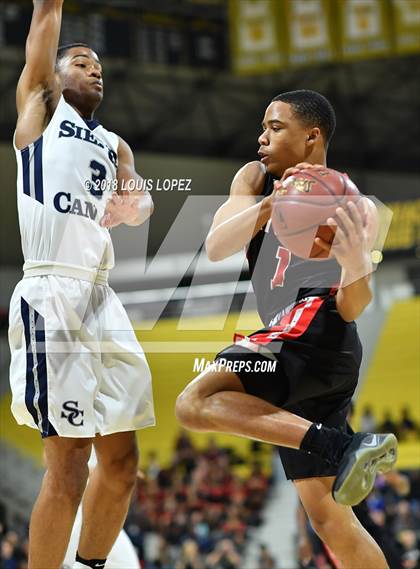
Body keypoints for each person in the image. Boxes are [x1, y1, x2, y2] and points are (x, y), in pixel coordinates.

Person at [175, 90, 397, 568]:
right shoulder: (255, 179)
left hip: (316, 327)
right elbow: (216, 246)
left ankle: (337, 444)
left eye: (275, 127)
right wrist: (273, 203)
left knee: (193, 404)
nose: (261, 138)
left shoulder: (355, 205)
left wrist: (358, 263)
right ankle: (335, 442)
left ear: (311, 135)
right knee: (330, 518)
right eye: (263, 127)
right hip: (299, 343)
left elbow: (353, 306)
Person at [8, 1, 155, 568]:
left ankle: (91, 566)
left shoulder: (115, 143)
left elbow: (139, 200)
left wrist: (133, 205)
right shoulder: (41, 109)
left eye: (100, 66)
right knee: (66, 466)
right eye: (82, 61)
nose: (95, 69)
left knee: (122, 464)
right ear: (56, 76)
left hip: (101, 298)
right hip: (52, 292)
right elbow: (44, 21)